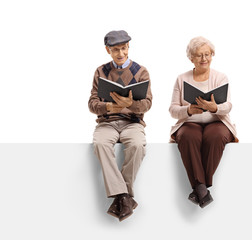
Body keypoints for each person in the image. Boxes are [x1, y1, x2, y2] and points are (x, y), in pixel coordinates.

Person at [88, 30, 152, 221]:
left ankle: (120, 196)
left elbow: (147, 104)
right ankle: (125, 197)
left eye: (123, 48)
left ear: (128, 47)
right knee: (100, 144)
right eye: (116, 49)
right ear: (108, 50)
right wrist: (109, 106)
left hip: (132, 122)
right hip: (107, 122)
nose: (121, 53)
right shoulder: (100, 71)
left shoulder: (141, 71)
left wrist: (129, 105)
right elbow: (92, 104)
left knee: (137, 145)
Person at [169, 36, 238, 208]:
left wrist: (214, 107)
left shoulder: (220, 77)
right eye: (199, 55)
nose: (204, 59)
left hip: (216, 121)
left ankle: (199, 188)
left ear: (212, 55)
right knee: (188, 136)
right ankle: (202, 190)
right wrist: (188, 110)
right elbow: (172, 109)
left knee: (216, 136)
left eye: (207, 54)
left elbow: (228, 106)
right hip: (189, 122)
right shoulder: (181, 78)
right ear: (191, 58)